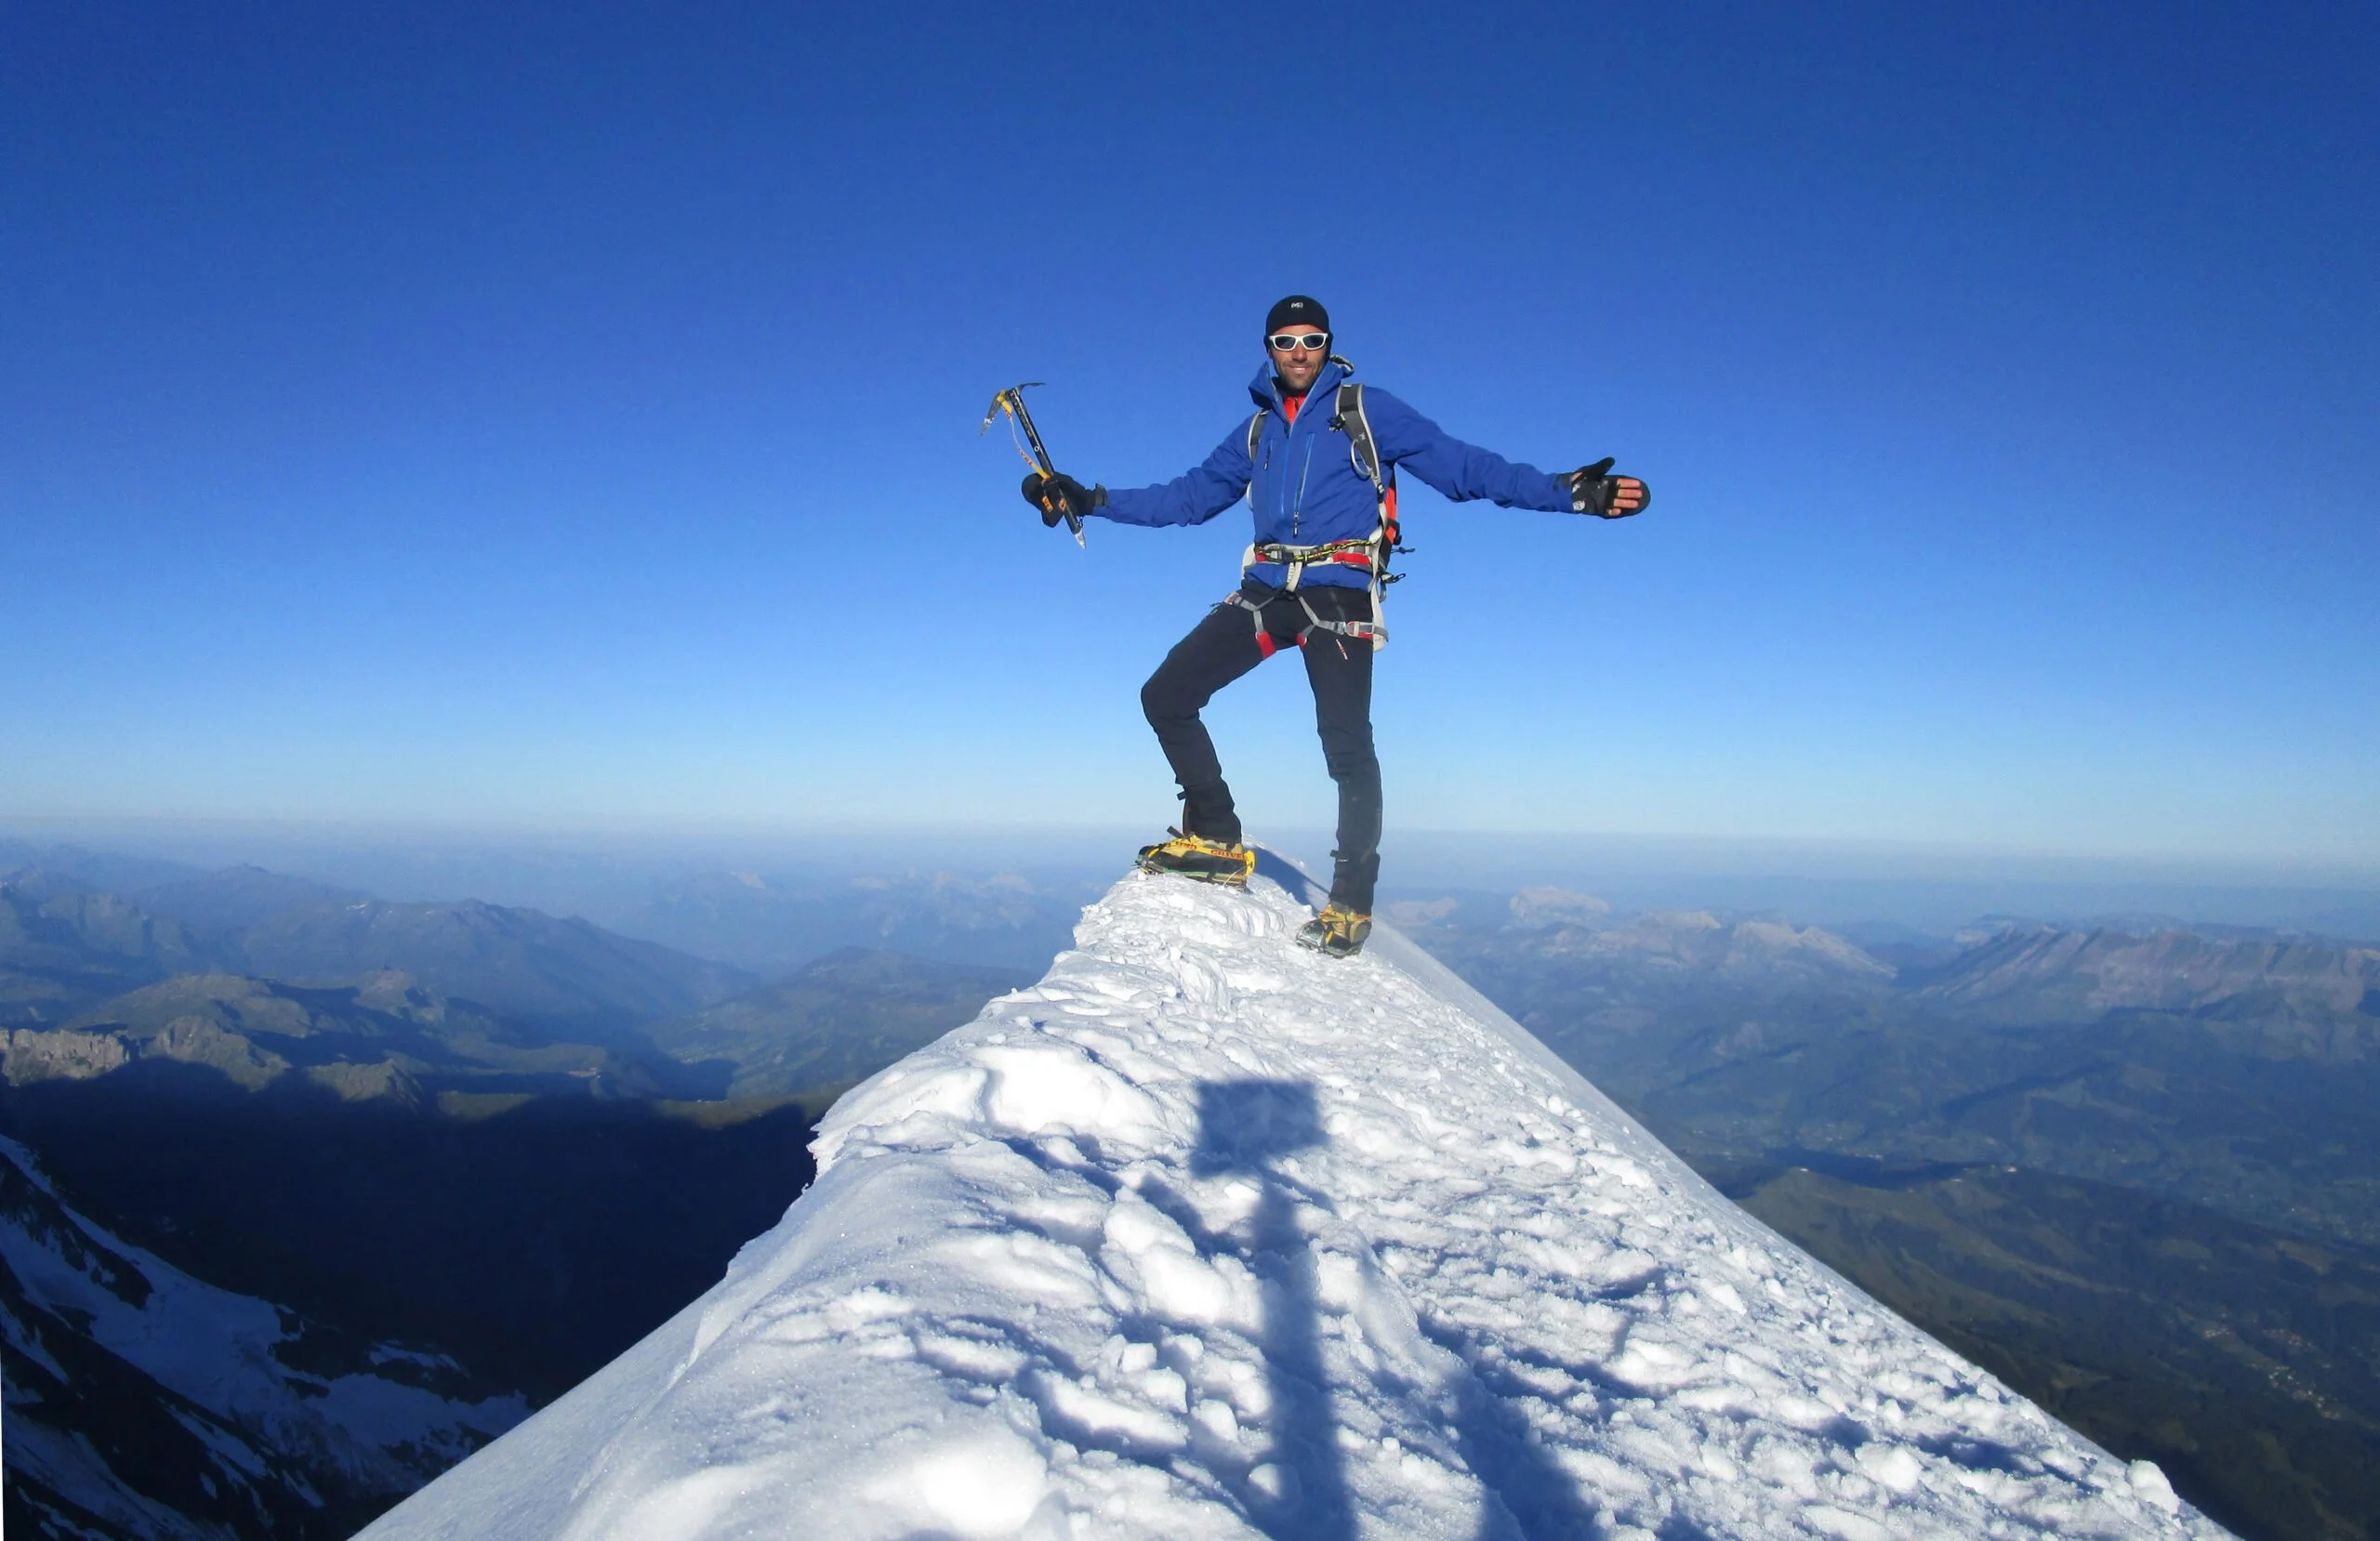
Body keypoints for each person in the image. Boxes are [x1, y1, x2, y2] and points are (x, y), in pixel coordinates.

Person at [1023, 295, 1647, 957]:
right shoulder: (1256, 432)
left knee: (1345, 743)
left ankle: (1351, 900)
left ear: (1328, 345)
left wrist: (1569, 492)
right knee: (1167, 696)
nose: (1298, 352)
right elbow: (1189, 497)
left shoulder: (1365, 413)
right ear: (1268, 350)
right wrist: (1088, 498)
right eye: (1285, 341)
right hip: (1267, 591)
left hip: (1339, 595)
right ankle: (1217, 839)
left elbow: (1465, 469)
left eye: (1311, 339)